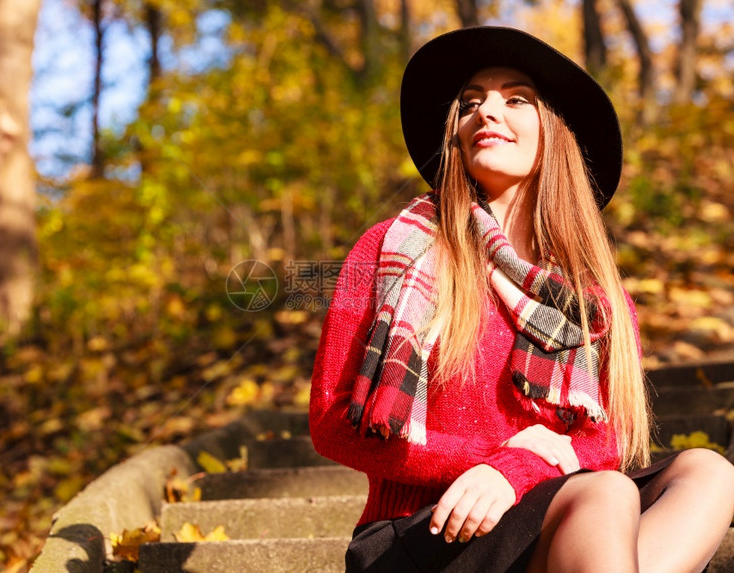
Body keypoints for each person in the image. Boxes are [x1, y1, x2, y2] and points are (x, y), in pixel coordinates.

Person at [309, 26, 734, 572]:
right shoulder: (391, 248)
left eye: (515, 99)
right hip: (424, 529)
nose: (486, 112)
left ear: (553, 131)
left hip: (555, 511)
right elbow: (331, 420)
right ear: (456, 136)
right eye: (469, 104)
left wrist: (518, 470)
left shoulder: (593, 300)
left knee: (708, 473)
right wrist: (495, 462)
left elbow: (608, 441)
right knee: (603, 493)